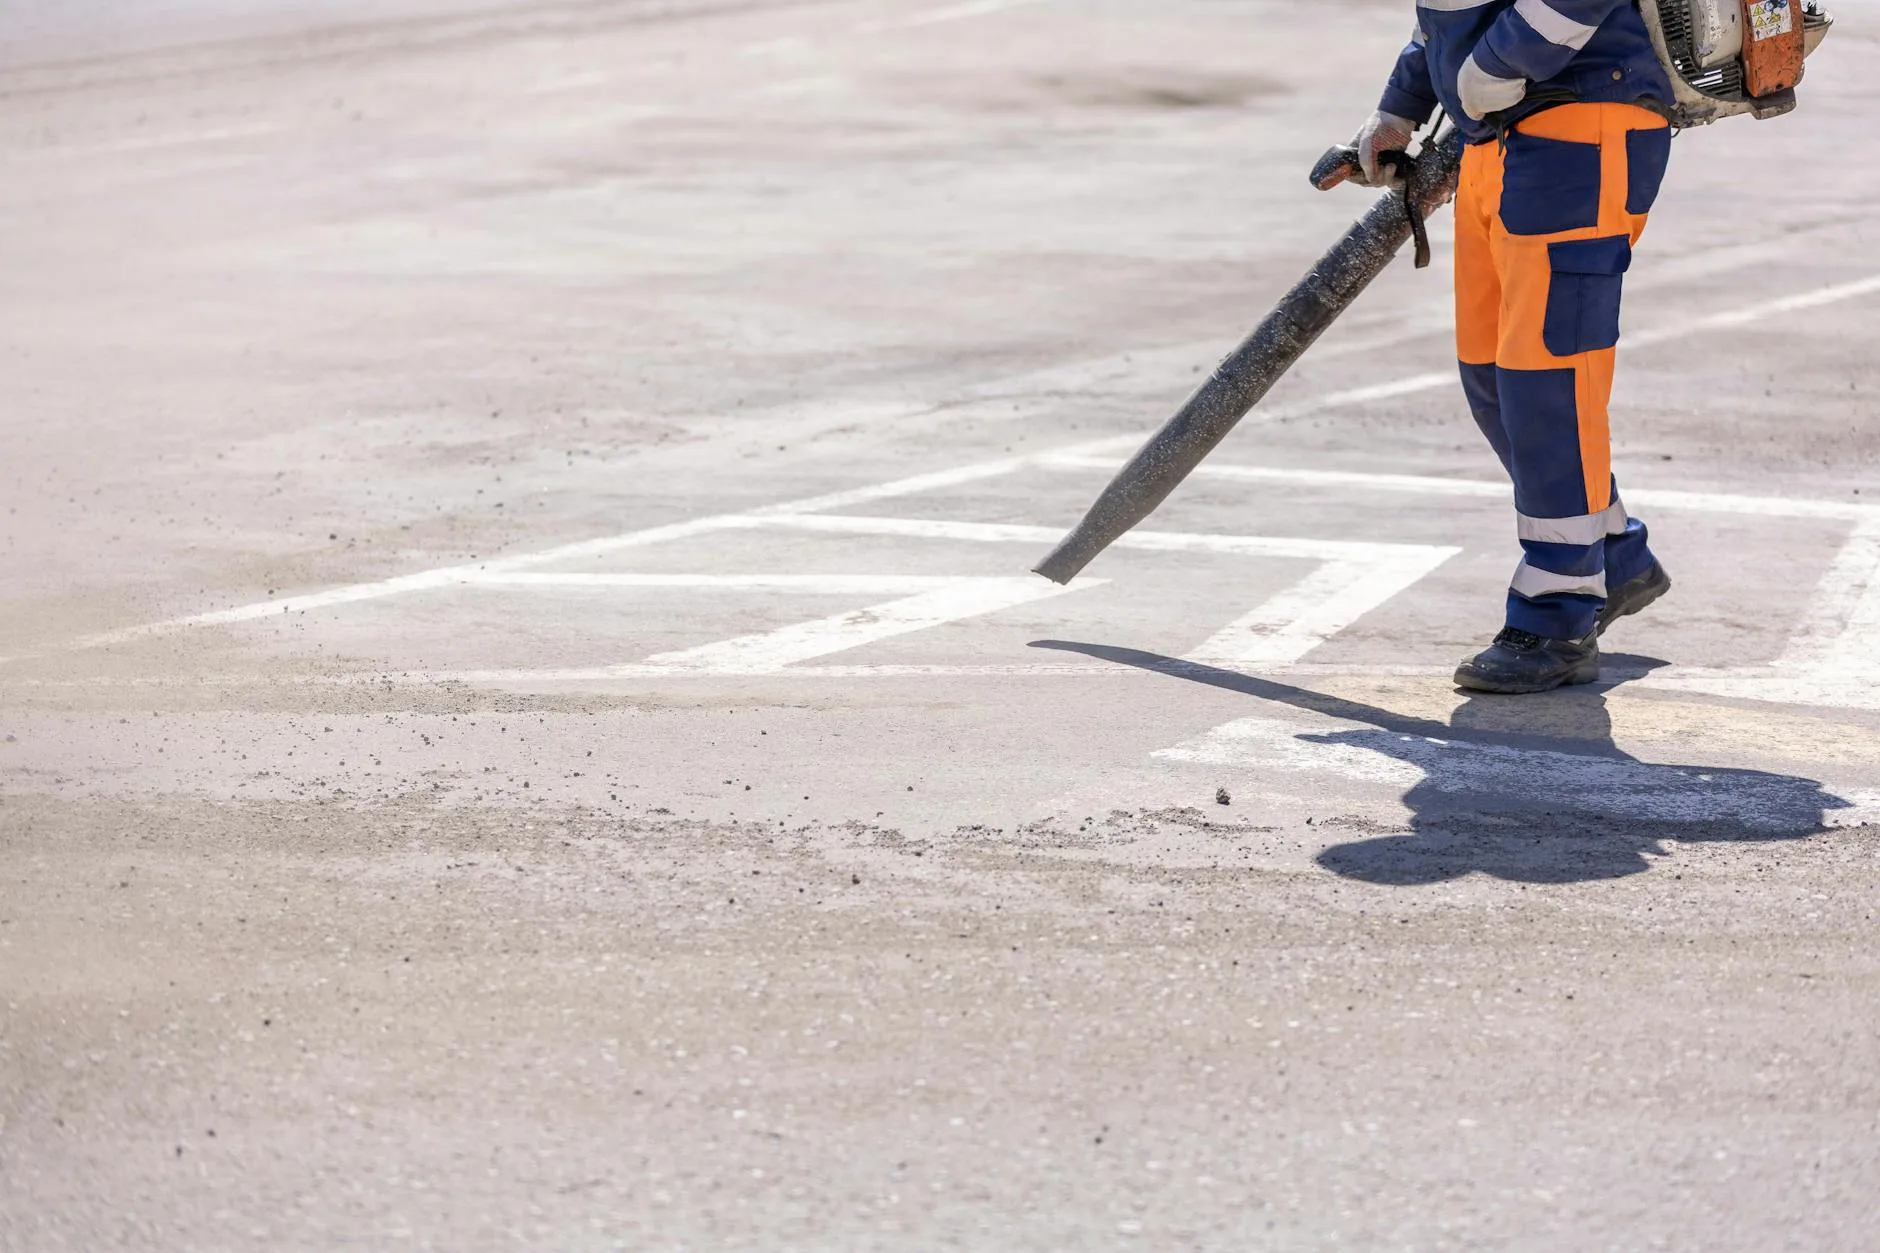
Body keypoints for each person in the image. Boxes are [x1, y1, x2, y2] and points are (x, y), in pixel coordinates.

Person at [1337, 2, 1679, 694]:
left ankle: (1558, 608)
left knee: (1549, 378)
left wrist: (1489, 70)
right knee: (1494, 377)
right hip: (1501, 136)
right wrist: (1402, 104)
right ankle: (1611, 555)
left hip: (1579, 126)